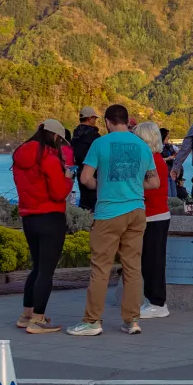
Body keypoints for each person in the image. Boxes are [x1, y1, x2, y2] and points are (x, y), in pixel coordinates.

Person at [69, 104, 157, 337]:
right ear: (127, 121)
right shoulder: (142, 146)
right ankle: (132, 320)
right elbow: (154, 182)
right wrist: (135, 185)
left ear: (107, 122)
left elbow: (86, 177)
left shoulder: (100, 144)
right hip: (136, 211)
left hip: (108, 212)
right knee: (133, 268)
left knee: (100, 269)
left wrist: (101, 185)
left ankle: (92, 321)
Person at [11, 119, 71, 334]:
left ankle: (26, 314)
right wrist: (69, 178)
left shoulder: (21, 156)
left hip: (29, 218)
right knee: (46, 271)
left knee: (36, 268)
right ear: (55, 136)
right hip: (51, 217)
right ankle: (38, 319)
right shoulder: (48, 158)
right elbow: (58, 192)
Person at [135, 121, 173, 320]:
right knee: (148, 261)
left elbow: (152, 190)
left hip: (154, 216)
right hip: (152, 215)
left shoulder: (153, 161)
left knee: (153, 262)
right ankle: (152, 299)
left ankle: (158, 302)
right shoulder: (155, 159)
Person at [71, 107, 103, 211]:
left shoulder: (76, 134)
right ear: (90, 119)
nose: (95, 121)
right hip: (93, 173)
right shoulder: (93, 135)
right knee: (95, 202)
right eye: (94, 118)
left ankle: (83, 222)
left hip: (80, 172)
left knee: (84, 201)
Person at [159, 127, 188, 202]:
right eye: (167, 136)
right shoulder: (158, 148)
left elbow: (181, 151)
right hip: (164, 174)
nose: (168, 138)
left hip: (172, 173)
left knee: (174, 194)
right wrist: (168, 158)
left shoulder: (170, 146)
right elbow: (157, 160)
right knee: (168, 194)